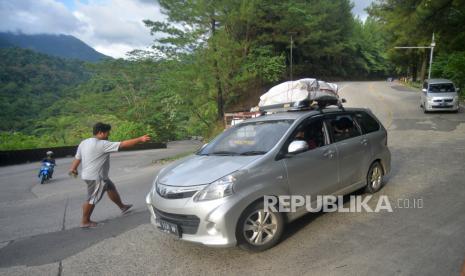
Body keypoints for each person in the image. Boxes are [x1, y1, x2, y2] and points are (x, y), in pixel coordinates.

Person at [69, 122, 151, 228]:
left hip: (93, 176)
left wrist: (73, 168)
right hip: (96, 178)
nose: (108, 135)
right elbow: (123, 144)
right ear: (101, 133)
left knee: (110, 187)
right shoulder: (102, 144)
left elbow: (78, 157)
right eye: (107, 133)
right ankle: (85, 221)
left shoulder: (84, 142)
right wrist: (140, 139)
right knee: (92, 199)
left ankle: (122, 207)